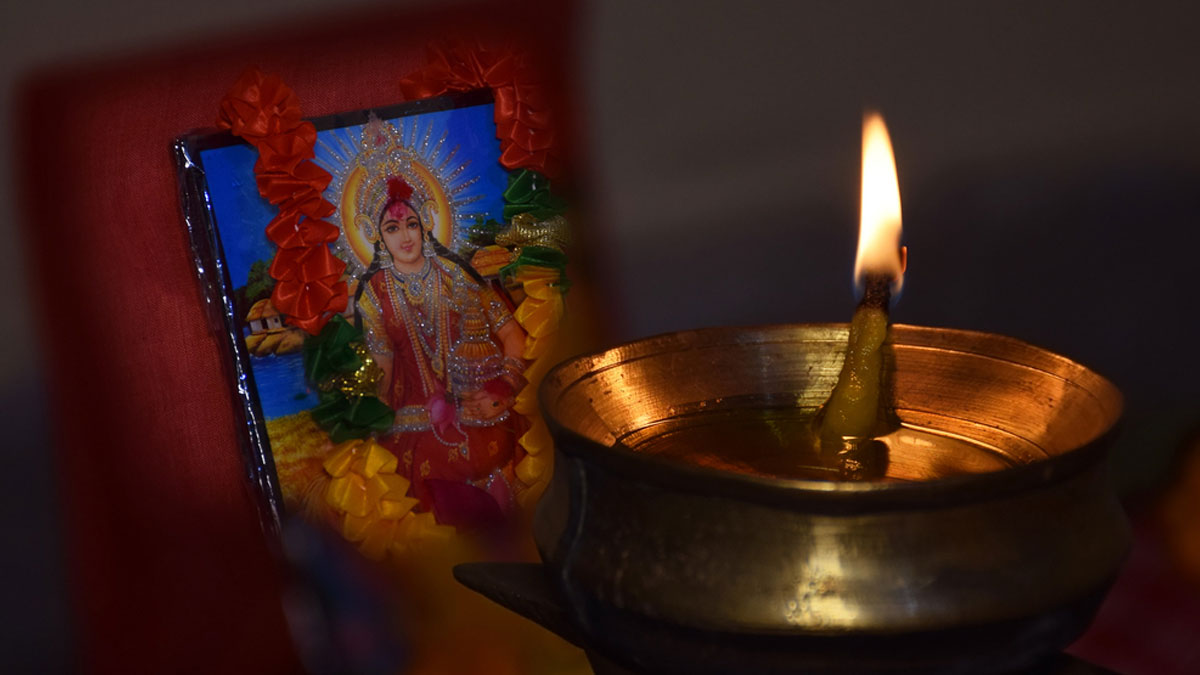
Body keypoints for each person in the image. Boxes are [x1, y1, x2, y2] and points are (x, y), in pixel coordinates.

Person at [356, 176, 529, 529]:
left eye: (411, 224)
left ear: (427, 225)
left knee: (492, 453)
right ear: (376, 236)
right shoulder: (372, 295)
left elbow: (512, 333)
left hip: (480, 404)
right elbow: (383, 372)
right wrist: (366, 422)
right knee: (426, 465)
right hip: (413, 421)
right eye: (392, 228)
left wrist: (505, 385)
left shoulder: (456, 275)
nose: (405, 237)